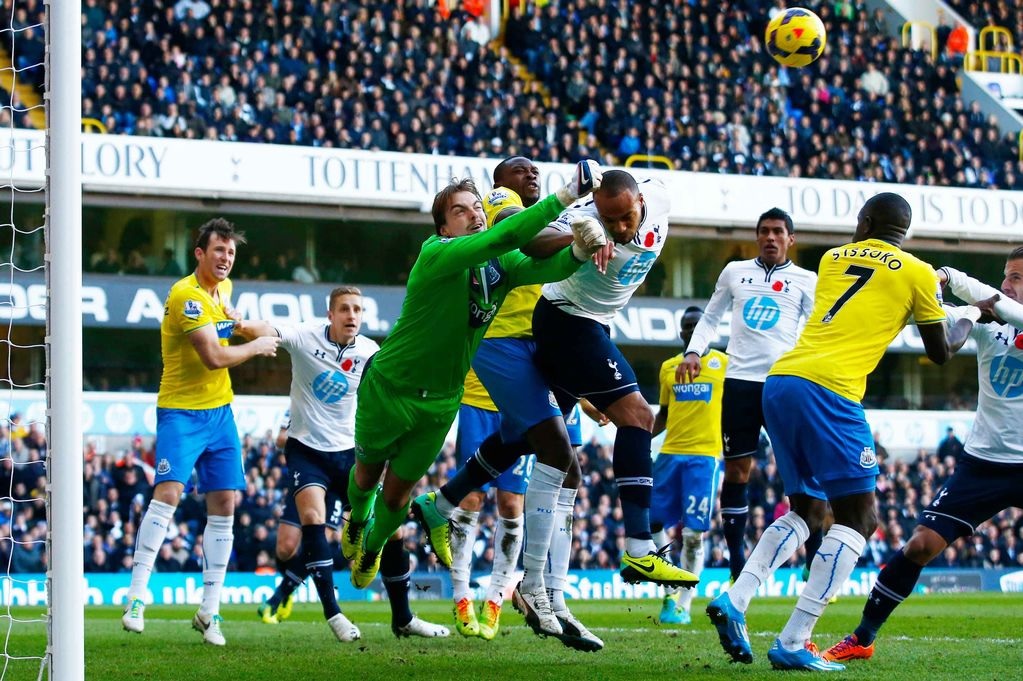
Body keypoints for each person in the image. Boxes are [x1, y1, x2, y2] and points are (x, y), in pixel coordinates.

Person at [705, 193, 986, 670]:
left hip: (781, 380)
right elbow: (942, 351)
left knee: (809, 509)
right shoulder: (916, 272)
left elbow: (865, 278)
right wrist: (972, 314)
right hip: (832, 391)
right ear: (904, 230)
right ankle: (794, 640)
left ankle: (737, 598)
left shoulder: (834, 258)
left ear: (867, 221)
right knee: (860, 519)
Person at [342, 162, 608, 593]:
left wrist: (581, 249)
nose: (474, 214)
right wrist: (565, 195)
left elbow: (549, 268)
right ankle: (357, 519)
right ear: (444, 228)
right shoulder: (436, 253)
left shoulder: (499, 264)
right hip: (390, 388)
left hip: (442, 401)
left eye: (475, 208)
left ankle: (372, 544)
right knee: (367, 478)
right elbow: (506, 234)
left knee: (396, 497)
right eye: (461, 211)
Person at [413, 156, 611, 651]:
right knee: (533, 474)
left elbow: (554, 267)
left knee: (529, 486)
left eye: (533, 171)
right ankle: (481, 593)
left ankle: (507, 591)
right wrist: (577, 232)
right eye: (521, 171)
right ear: (498, 184)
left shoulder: (547, 213)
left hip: (539, 357)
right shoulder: (502, 205)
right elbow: (523, 241)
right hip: (499, 362)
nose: (532, 175)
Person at [823, 249, 1020, 663]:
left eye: (1017, 278)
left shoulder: (1003, 310)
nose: (1006, 284)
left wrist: (952, 277)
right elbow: (943, 320)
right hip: (983, 463)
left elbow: (994, 302)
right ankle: (862, 638)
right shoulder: (992, 323)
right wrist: (940, 291)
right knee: (919, 545)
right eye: (1006, 276)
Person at [239, 287, 449, 641]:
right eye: (345, 309)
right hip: (306, 450)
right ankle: (333, 613)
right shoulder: (305, 336)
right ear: (331, 314)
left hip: (353, 454)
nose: (352, 315)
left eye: (357, 310)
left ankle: (404, 618)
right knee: (311, 520)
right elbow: (269, 329)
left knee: (392, 528)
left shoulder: (371, 352)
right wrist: (241, 326)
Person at [121, 218, 281, 646]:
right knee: (169, 493)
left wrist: (243, 323)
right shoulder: (186, 296)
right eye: (218, 251)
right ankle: (137, 598)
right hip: (181, 412)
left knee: (225, 502)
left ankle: (209, 611)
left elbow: (237, 327)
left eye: (230, 252)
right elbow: (212, 356)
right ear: (200, 253)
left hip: (220, 413)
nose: (226, 259)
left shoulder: (222, 292)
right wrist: (255, 344)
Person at [680, 207, 817, 585]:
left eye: (777, 232)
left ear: (791, 239)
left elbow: (818, 328)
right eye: (764, 231)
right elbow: (710, 317)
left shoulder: (807, 280)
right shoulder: (734, 272)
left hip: (783, 384)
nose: (770, 238)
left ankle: (814, 549)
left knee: (800, 471)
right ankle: (737, 561)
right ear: (757, 236)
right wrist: (694, 350)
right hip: (739, 382)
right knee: (738, 471)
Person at [650, 306, 727, 626]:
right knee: (650, 522)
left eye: (698, 325)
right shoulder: (668, 368)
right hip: (669, 454)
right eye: (688, 326)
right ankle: (670, 583)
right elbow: (664, 415)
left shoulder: (724, 364)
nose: (693, 330)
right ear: (681, 332)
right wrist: (637, 438)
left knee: (694, 535)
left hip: (705, 458)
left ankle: (682, 602)